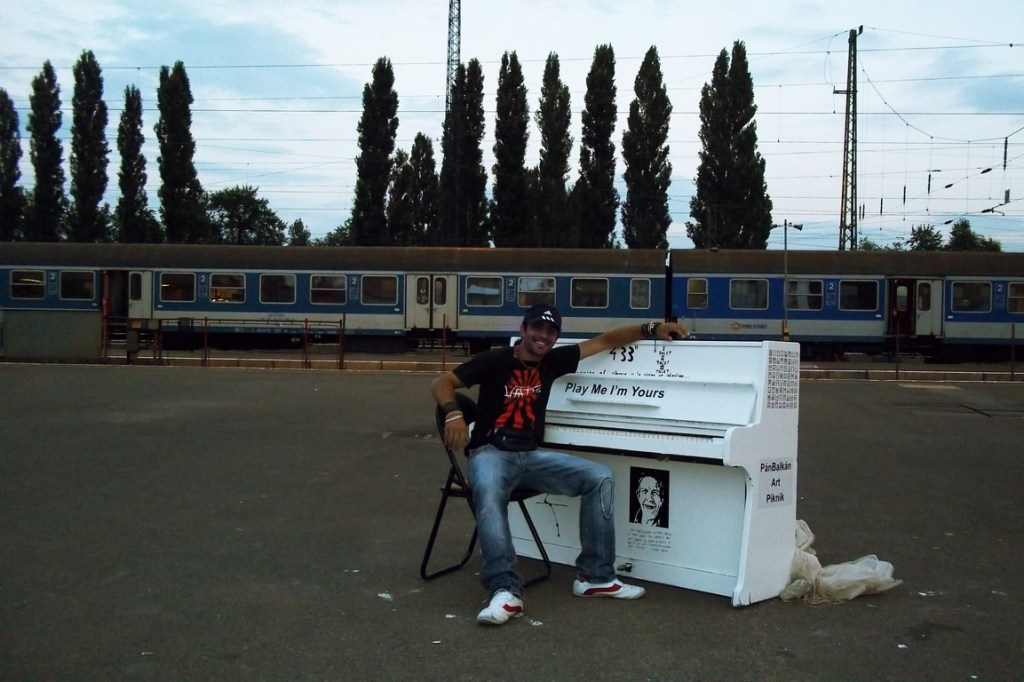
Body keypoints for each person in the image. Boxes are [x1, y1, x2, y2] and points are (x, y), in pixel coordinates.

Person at [430, 303, 689, 626]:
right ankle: (505, 590)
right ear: (523, 329)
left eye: (551, 331)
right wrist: (453, 412)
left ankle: (595, 577)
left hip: (531, 457)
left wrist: (651, 329)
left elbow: (605, 341)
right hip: (491, 452)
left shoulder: (554, 360)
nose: (543, 336)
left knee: (600, 477)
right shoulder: (494, 360)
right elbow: (442, 382)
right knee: (488, 491)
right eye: (537, 328)